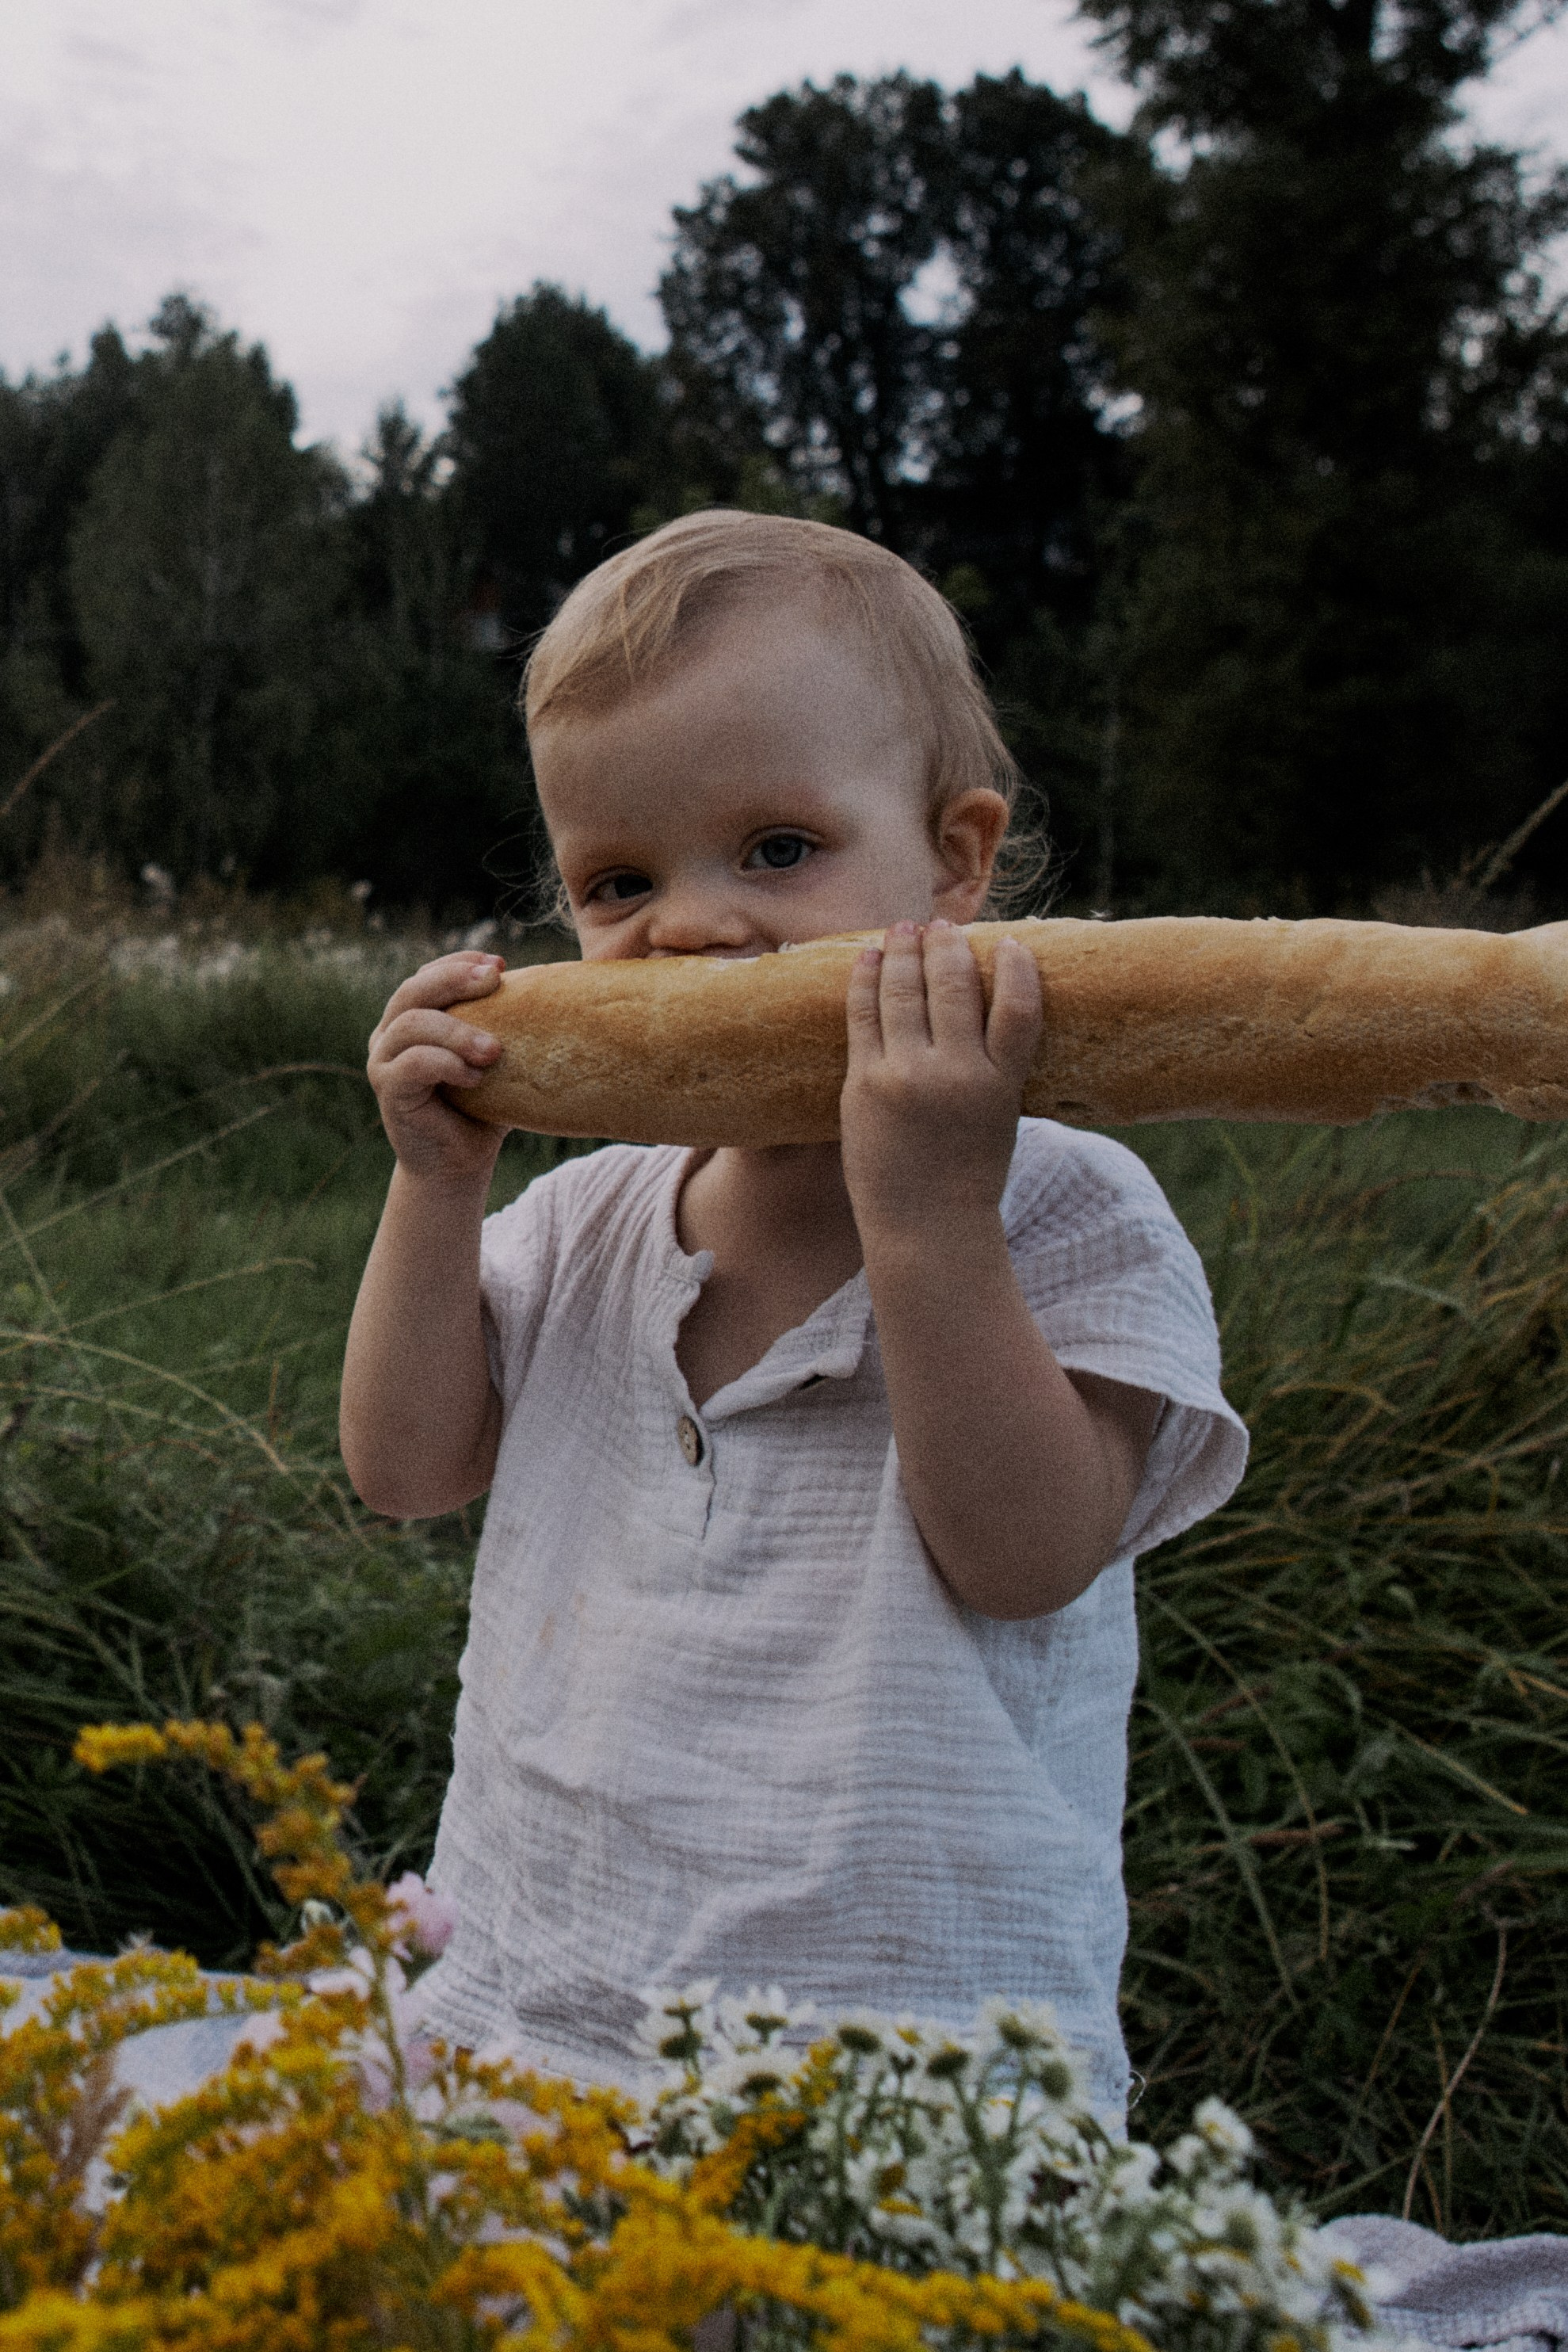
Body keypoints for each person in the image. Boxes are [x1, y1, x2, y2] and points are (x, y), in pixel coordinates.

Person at [340, 510, 1248, 2119]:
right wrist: (435, 1186)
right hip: (547, 2008)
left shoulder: (1068, 1209)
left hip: (907, 2069)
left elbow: (1027, 1551)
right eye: (617, 879)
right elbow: (406, 1466)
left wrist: (928, 1211)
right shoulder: (585, 1214)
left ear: (956, 860)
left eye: (776, 849)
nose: (686, 927)